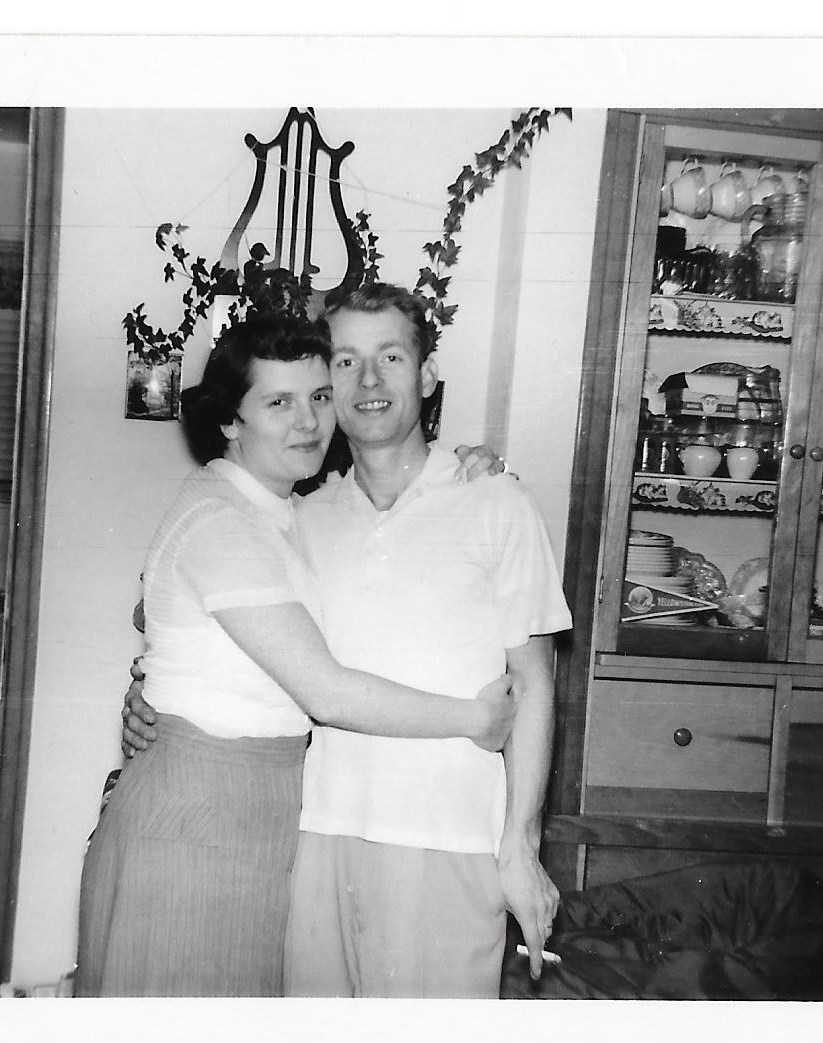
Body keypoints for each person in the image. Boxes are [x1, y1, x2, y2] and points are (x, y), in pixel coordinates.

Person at [124, 283, 573, 997]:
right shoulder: (299, 514)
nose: (367, 381)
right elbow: (195, 626)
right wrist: (144, 693)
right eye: (344, 360)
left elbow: (537, 683)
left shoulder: (498, 503)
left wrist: (522, 845)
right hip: (312, 841)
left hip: (449, 843)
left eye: (391, 356)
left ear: (426, 377)